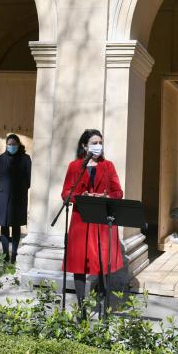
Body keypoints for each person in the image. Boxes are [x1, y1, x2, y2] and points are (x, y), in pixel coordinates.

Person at [60, 129, 124, 310]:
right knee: (79, 264)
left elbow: (118, 192)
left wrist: (105, 197)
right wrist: (81, 197)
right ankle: (81, 307)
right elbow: (66, 193)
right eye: (94, 143)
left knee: (103, 263)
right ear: (84, 146)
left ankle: (103, 304)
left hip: (103, 221)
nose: (98, 146)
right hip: (81, 221)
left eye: (100, 143)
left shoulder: (108, 166)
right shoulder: (75, 166)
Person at [0, 133, 31, 263]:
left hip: (18, 196)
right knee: (4, 225)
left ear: (18, 144)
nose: (11, 146)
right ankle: (5, 254)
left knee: (16, 226)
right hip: (3, 195)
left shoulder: (25, 158)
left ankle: (14, 254)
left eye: (14, 144)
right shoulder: (1, 159)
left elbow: (28, 178)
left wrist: (20, 188)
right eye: (9, 144)